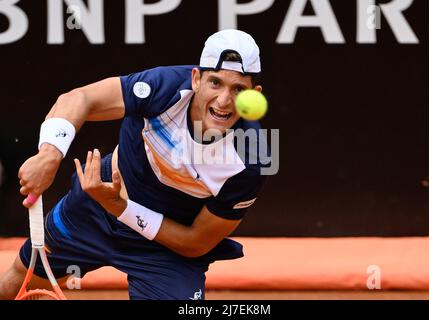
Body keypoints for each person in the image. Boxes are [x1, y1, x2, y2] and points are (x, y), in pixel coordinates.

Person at [0, 29, 269, 300]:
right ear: (196, 79)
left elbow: (196, 241)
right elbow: (80, 99)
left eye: (238, 89)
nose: (223, 101)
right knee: (14, 283)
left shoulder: (252, 158)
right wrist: (49, 154)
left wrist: (121, 207)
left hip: (165, 247)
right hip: (95, 210)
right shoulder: (165, 88)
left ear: (255, 95)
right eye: (215, 83)